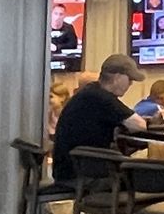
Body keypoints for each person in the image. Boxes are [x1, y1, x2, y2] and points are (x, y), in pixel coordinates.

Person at [50, 54, 149, 183]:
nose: (130, 84)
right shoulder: (102, 98)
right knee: (146, 179)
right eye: (129, 79)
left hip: (68, 169)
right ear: (117, 77)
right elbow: (140, 126)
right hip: (80, 176)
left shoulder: (91, 91)